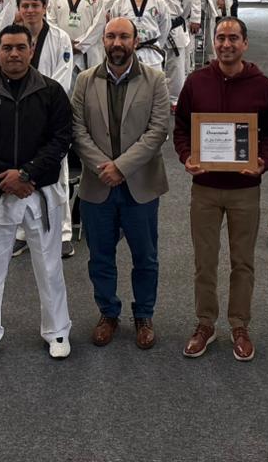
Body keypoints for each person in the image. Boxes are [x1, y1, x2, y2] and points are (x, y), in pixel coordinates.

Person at [0, 24, 74, 364]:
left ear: (31, 49)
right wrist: (6, 178)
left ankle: (57, 330)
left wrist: (26, 174)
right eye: (7, 47)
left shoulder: (52, 92)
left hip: (40, 190)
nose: (13, 54)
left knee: (49, 264)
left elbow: (61, 139)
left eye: (20, 47)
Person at [173, 16, 268, 360]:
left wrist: (263, 161)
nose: (227, 44)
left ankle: (239, 325)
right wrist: (187, 156)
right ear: (214, 42)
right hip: (204, 186)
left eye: (234, 38)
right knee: (204, 261)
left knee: (242, 261)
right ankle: (205, 323)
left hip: (245, 188)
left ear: (245, 43)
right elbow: (182, 128)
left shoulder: (260, 84)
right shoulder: (196, 81)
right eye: (221, 38)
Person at [71, 18, 172, 350]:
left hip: (139, 184)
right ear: (103, 39)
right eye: (112, 36)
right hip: (98, 184)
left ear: (135, 40)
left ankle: (143, 314)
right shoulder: (85, 81)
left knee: (145, 256)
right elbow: (78, 130)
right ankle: (108, 312)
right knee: (100, 256)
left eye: (124, 36)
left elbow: (158, 131)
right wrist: (105, 168)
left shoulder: (155, 79)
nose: (117, 42)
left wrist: (122, 167)